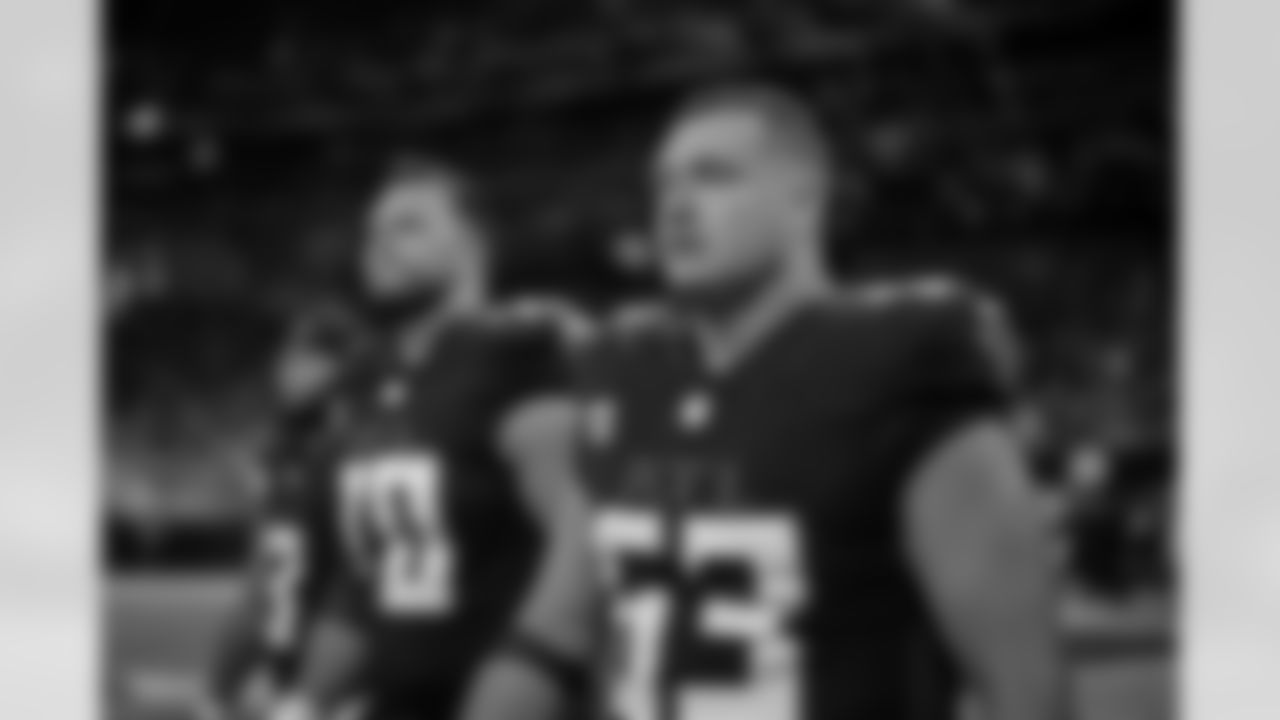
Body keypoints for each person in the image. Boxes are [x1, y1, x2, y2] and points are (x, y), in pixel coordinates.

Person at [488, 84, 1068, 720]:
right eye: (663, 185)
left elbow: (1027, 696)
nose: (676, 205)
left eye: (715, 175)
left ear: (803, 199)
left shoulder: (893, 364)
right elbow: (550, 635)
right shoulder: (627, 375)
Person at [272, 156, 594, 720]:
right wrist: (305, 702)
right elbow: (373, 577)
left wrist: (525, 677)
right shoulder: (366, 380)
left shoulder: (516, 352)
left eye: (409, 225)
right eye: (372, 230)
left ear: (471, 244)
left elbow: (585, 542)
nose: (379, 243)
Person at [202, 307, 361, 720]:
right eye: (286, 358)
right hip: (298, 672)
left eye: (305, 359)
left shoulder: (357, 451)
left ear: (341, 366)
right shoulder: (286, 453)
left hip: (346, 679)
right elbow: (262, 587)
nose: (286, 371)